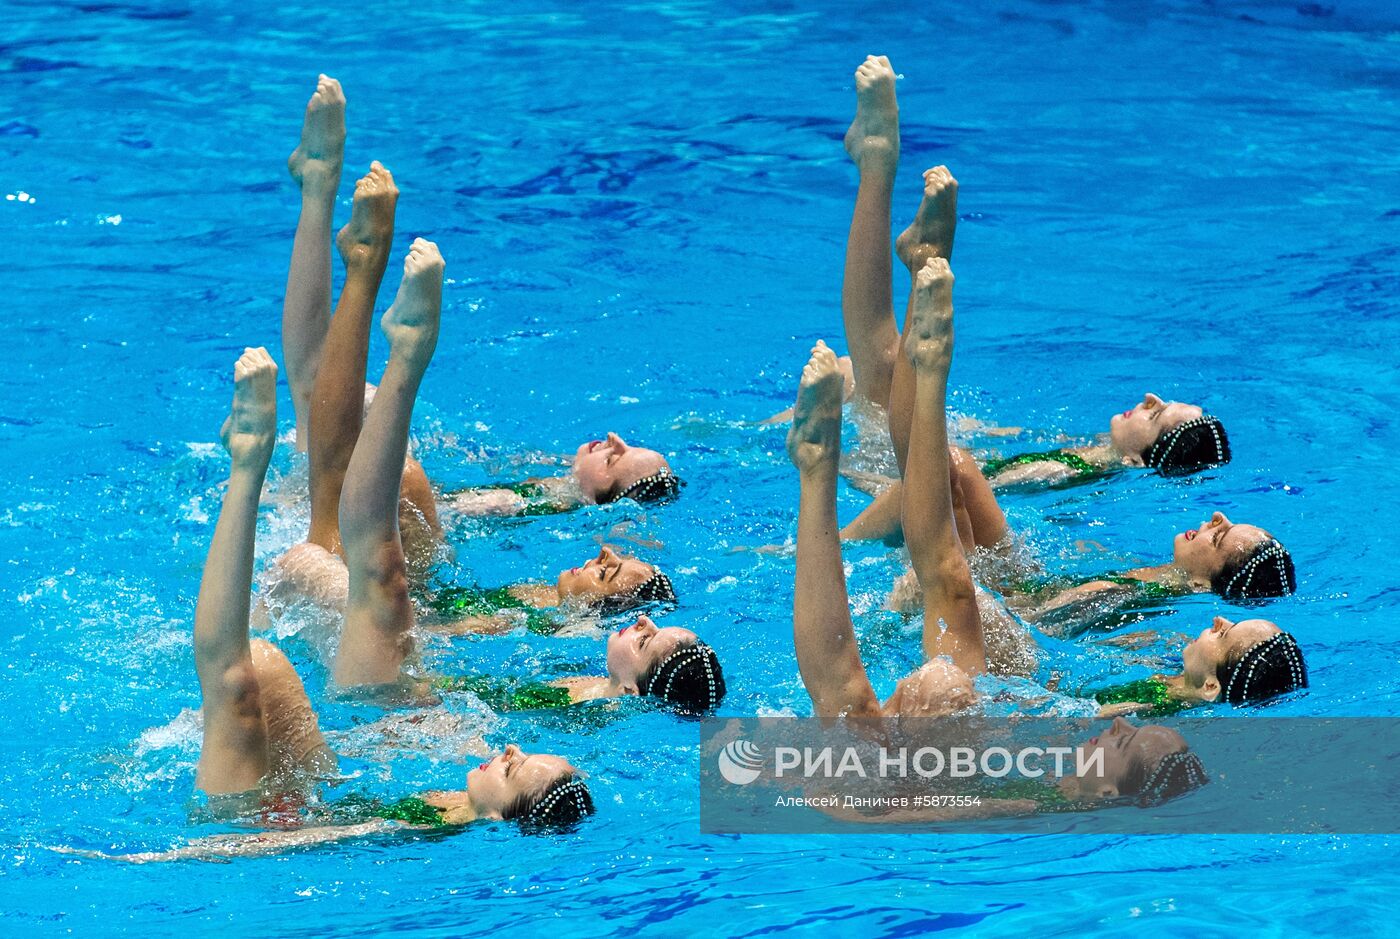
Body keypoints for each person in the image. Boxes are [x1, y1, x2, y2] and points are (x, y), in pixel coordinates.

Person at [189, 348, 591, 842]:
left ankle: (247, 466)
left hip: (254, 822)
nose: (511, 752)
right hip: (320, 793)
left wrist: (193, 852)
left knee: (239, 683)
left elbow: (327, 838)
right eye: (522, 754)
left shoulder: (419, 829)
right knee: (266, 665)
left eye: (513, 770)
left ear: (498, 819)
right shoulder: (465, 793)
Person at [275, 81, 441, 612]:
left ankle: (323, 195)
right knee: (332, 410)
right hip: (311, 523)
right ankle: (324, 196)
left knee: (315, 405)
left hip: (311, 543)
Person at [434, 614, 726, 714]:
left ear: (629, 690)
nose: (644, 621)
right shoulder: (600, 685)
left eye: (644, 641)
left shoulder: (574, 715)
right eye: (656, 626)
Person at [426, 545, 677, 635]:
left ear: (593, 607)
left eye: (604, 573)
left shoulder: (521, 623)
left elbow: (432, 631)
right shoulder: (547, 597)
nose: (605, 552)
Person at [1091, 616, 1308, 717]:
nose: (1219, 620)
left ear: (1210, 687)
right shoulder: (1177, 663)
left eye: (1223, 634)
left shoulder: (1146, 710)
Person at [448, 432, 683, 517]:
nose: (614, 438)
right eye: (630, 445)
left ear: (594, 497)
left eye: (612, 458)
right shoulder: (552, 467)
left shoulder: (511, 503)